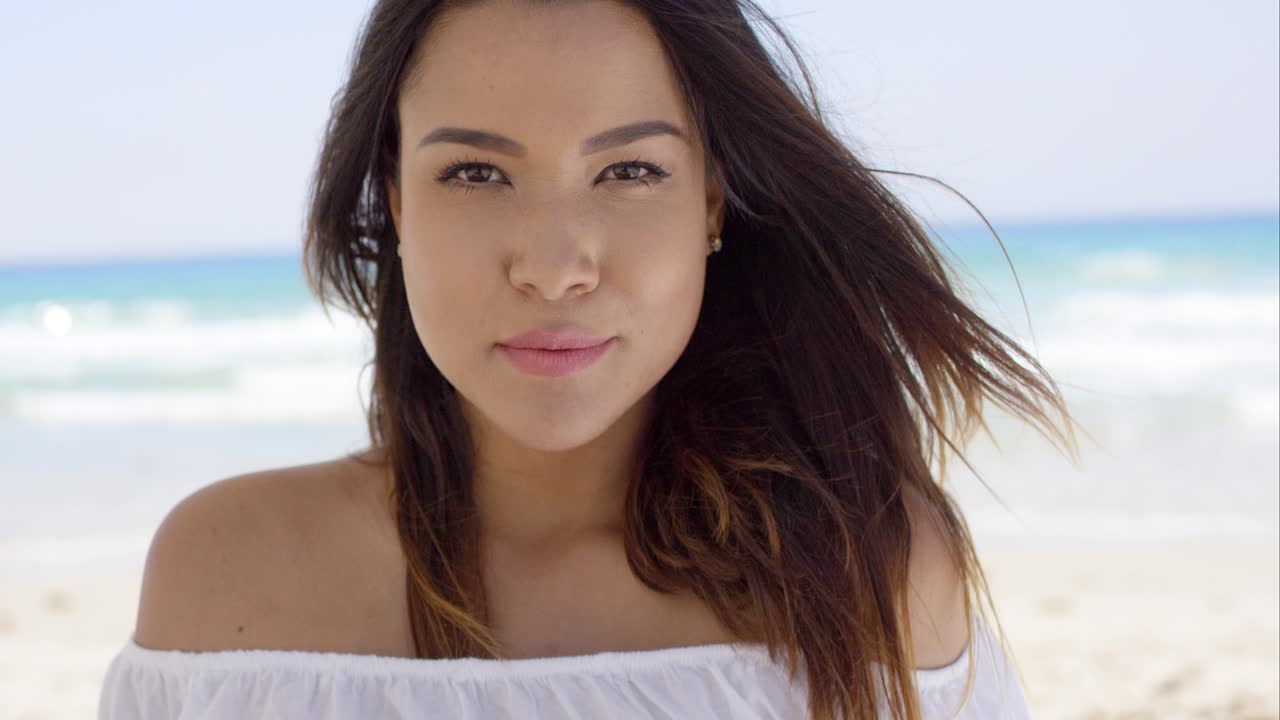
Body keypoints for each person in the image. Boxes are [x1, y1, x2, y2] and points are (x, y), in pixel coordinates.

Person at [98, 0, 1078, 718]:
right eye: (475, 173)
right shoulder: (224, 582)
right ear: (395, 204)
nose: (555, 266)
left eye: (629, 170)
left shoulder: (867, 574)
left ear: (709, 202)